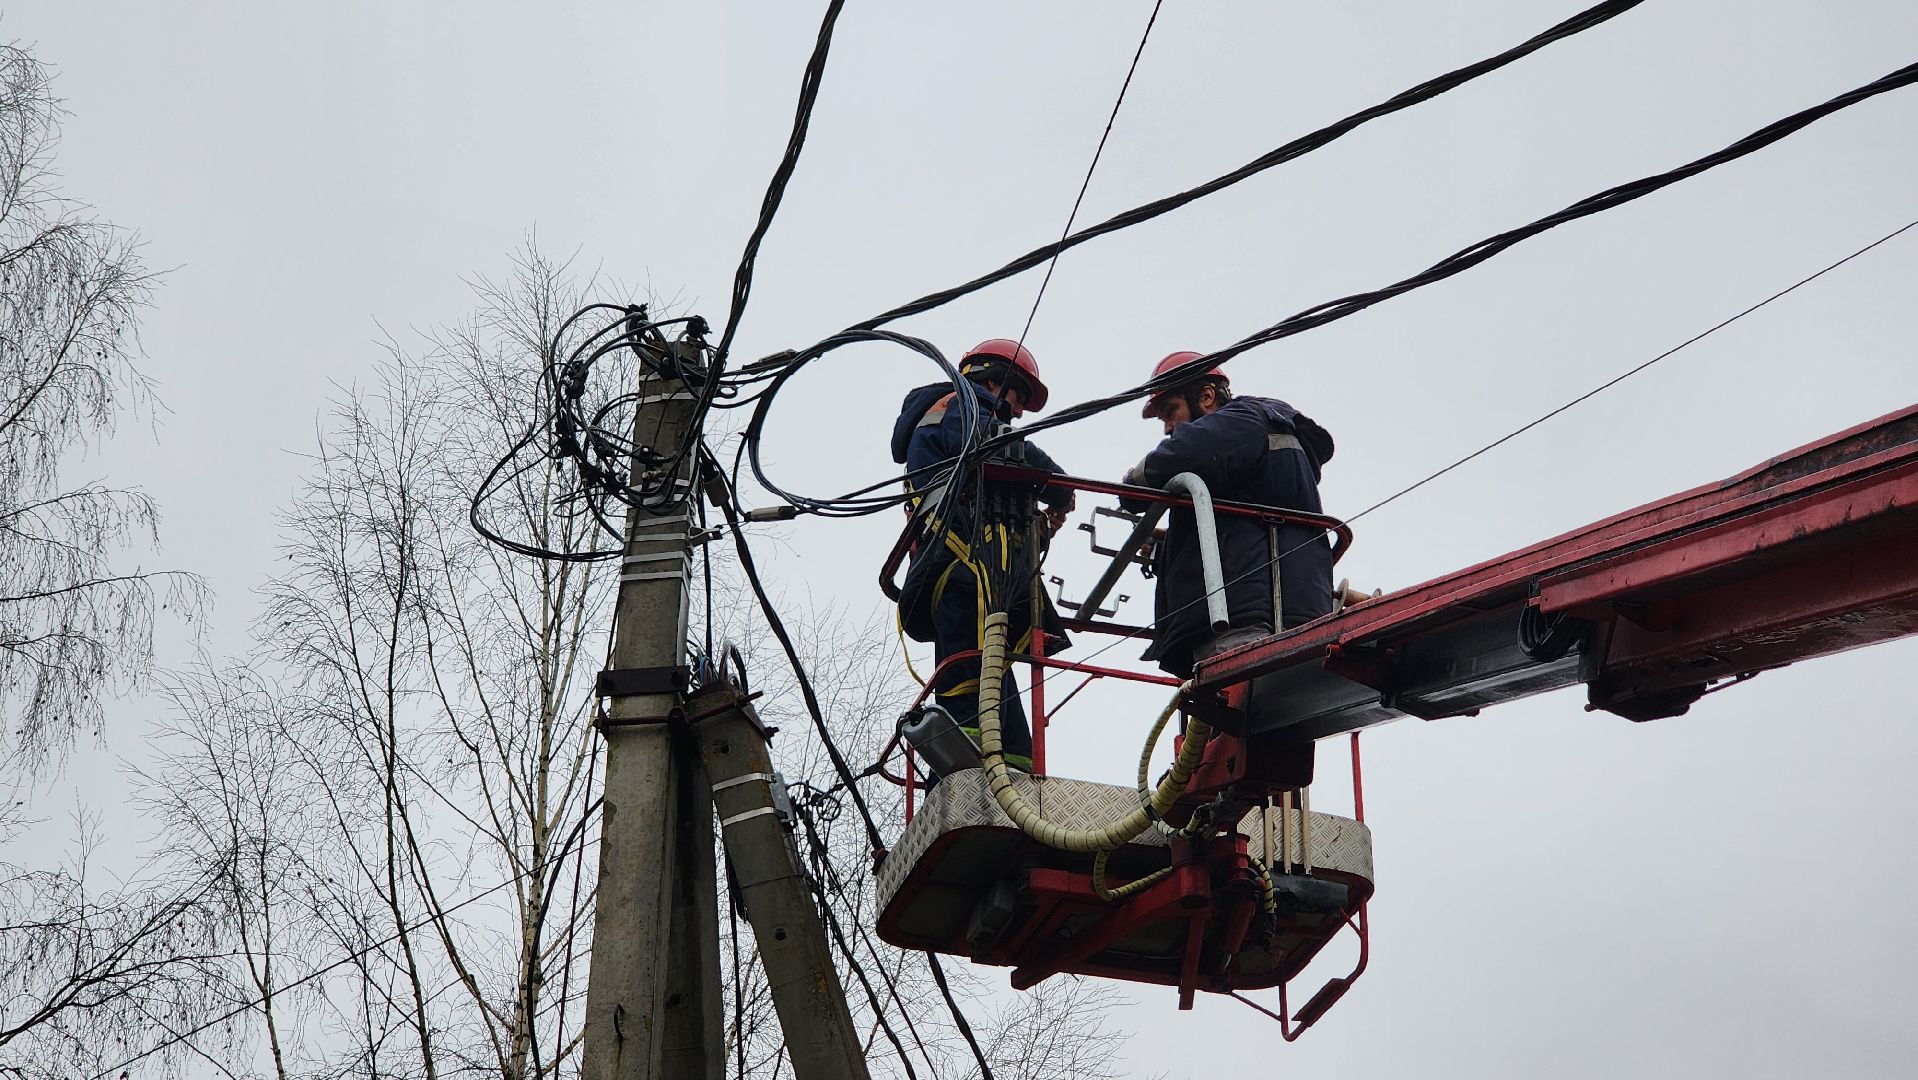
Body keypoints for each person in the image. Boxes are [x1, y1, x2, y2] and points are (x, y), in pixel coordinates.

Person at [890, 339, 1074, 770]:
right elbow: (1009, 449)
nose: (1020, 412)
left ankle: (1015, 764)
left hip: (965, 569)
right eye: (1019, 396)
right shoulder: (961, 406)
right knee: (970, 677)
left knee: (991, 668)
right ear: (996, 380)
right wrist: (1059, 490)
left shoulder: (953, 415)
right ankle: (966, 768)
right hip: (962, 566)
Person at [1122, 352, 1335, 678]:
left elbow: (1174, 459)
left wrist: (1133, 480)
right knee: (1257, 722)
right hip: (1280, 613)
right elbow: (1241, 524)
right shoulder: (1253, 448)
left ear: (1206, 396)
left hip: (1245, 619)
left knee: (1245, 709)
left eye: (1170, 411)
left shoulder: (1243, 419)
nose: (1167, 428)